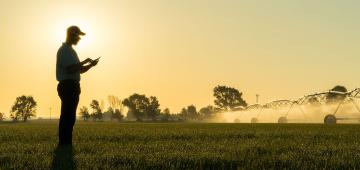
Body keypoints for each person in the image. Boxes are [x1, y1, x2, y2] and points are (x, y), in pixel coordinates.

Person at [56, 25, 99, 146]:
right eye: (78, 36)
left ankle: (66, 142)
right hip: (67, 85)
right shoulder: (64, 50)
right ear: (72, 35)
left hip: (73, 86)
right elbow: (70, 69)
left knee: (71, 116)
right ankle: (64, 143)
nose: (79, 39)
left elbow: (79, 70)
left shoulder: (71, 51)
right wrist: (84, 61)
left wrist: (91, 65)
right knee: (67, 115)